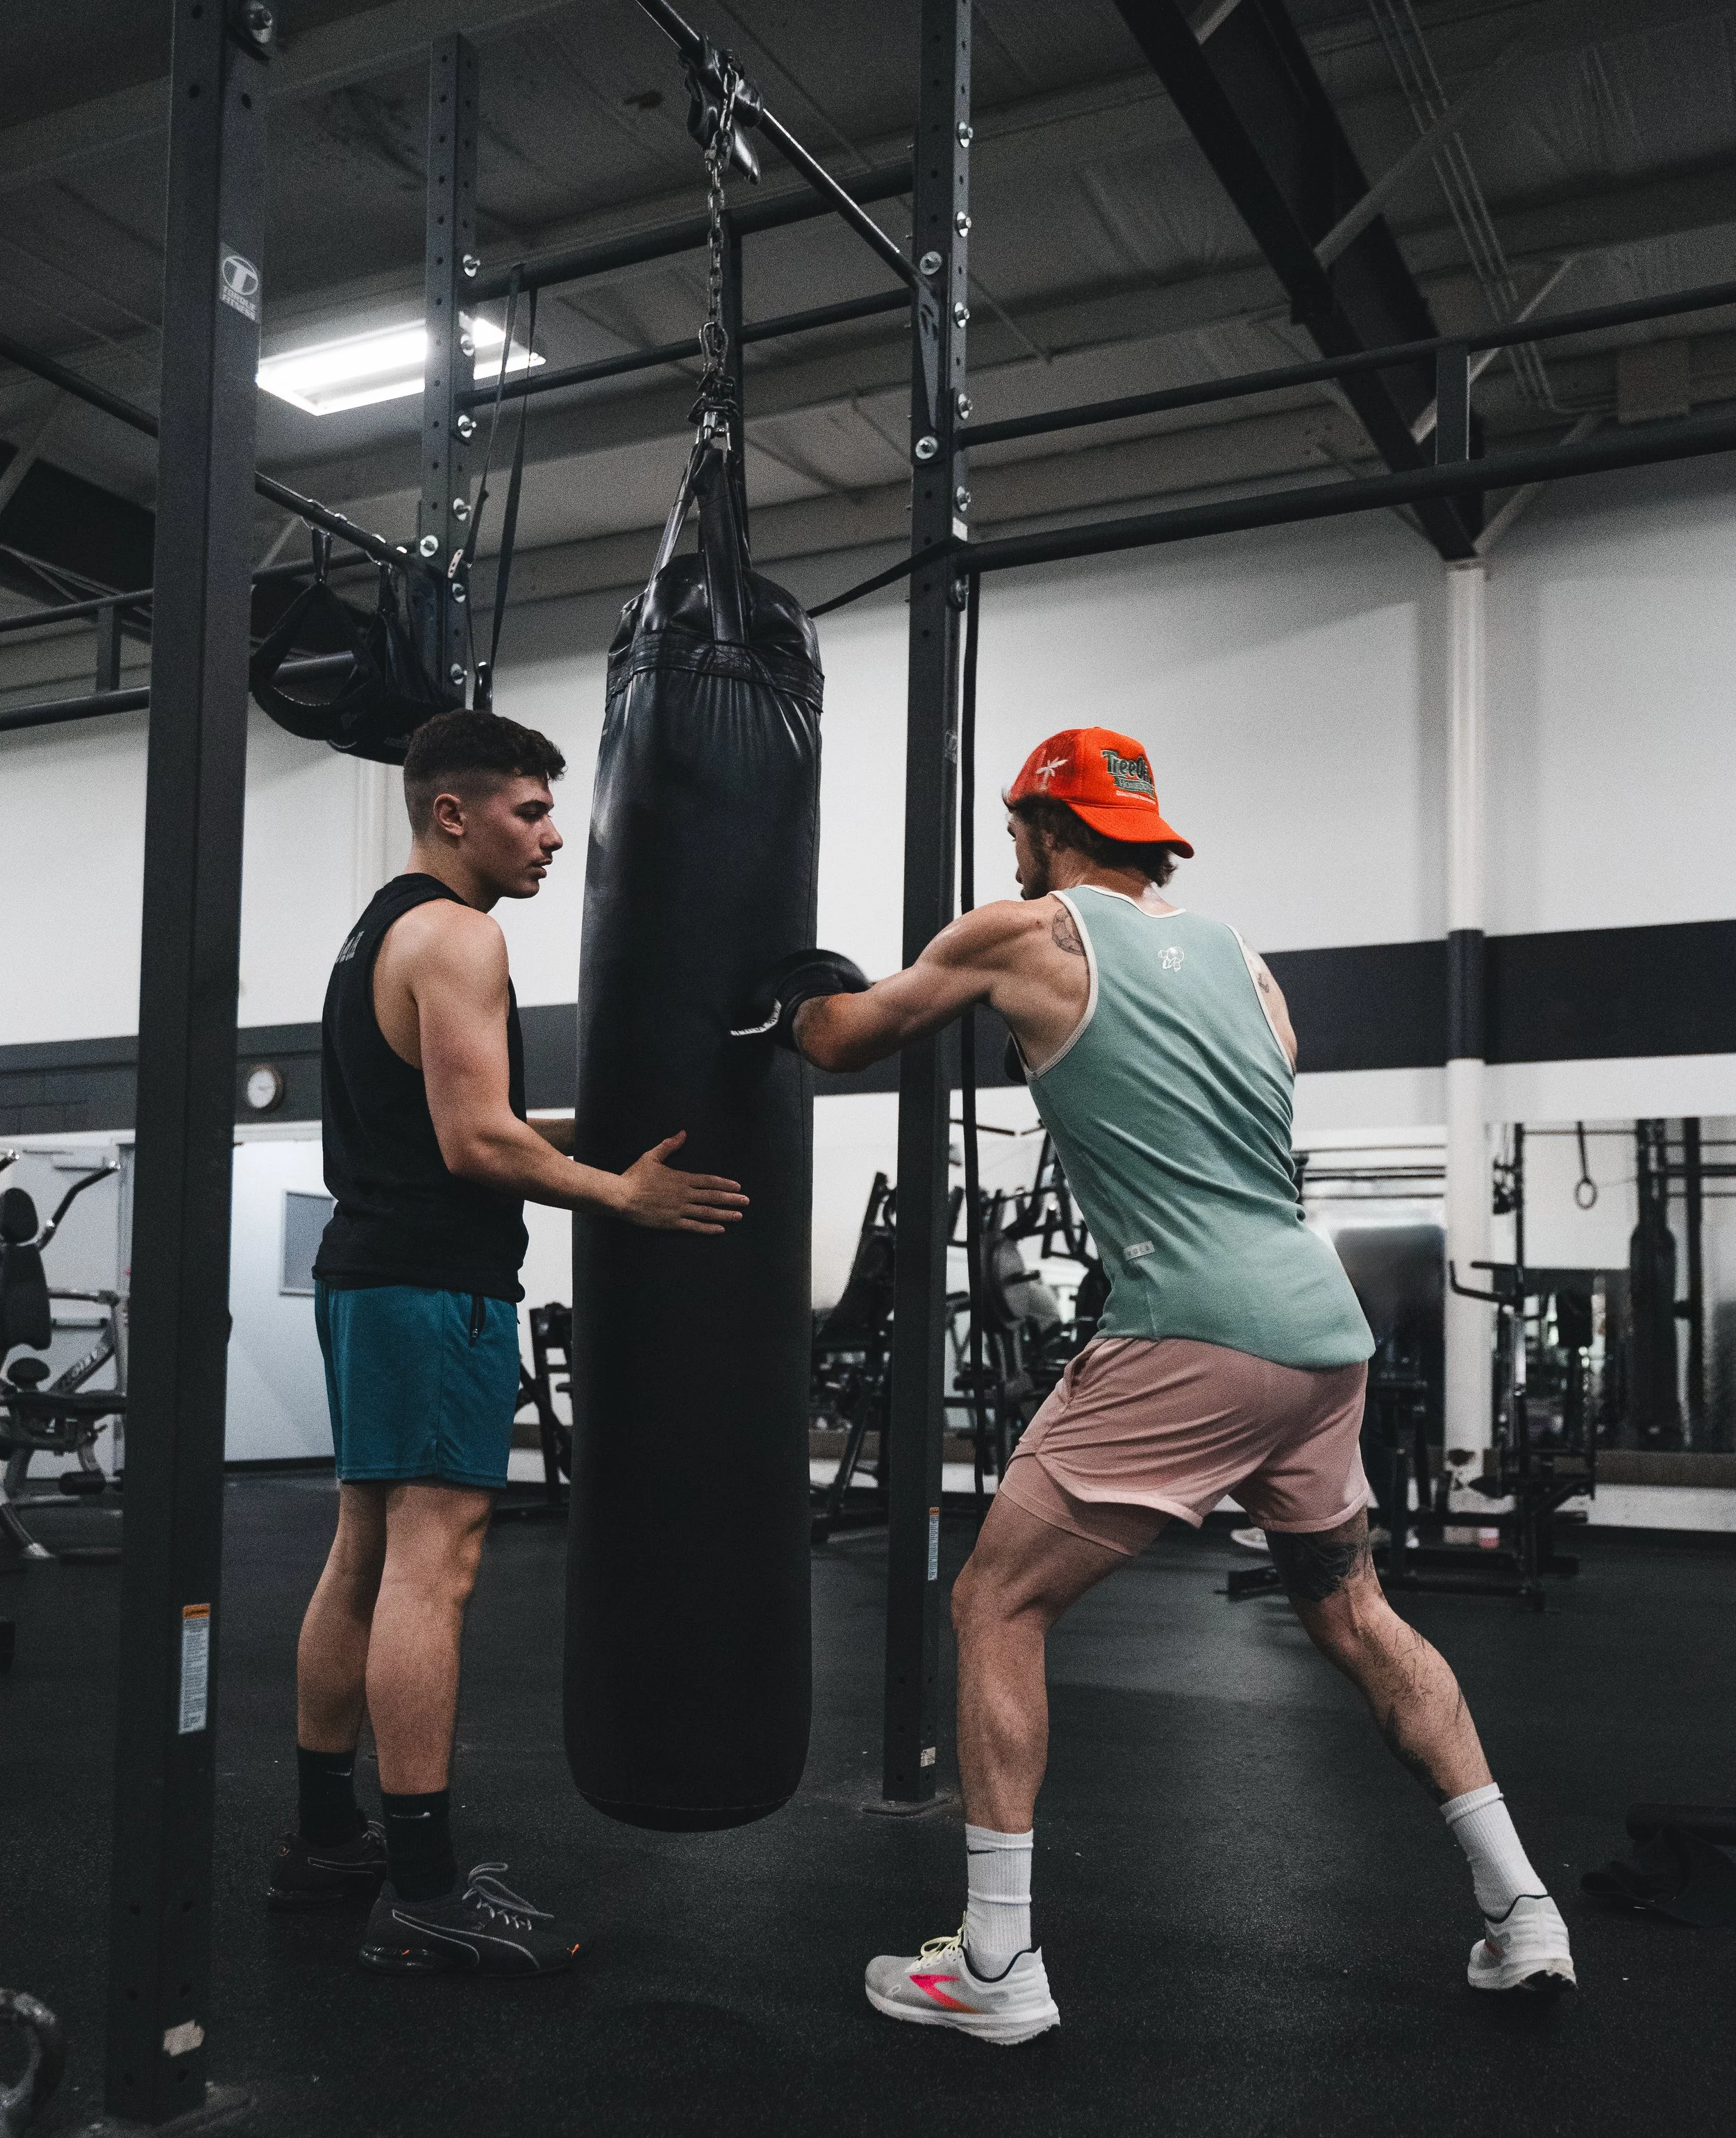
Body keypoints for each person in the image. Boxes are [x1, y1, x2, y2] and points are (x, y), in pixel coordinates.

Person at [779, 725, 1574, 2044]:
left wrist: (790, 985)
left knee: (994, 1605)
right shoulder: (1250, 967)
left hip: (1189, 1328)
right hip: (1321, 1331)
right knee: (1358, 1612)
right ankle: (1523, 1911)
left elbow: (838, 1038)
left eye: (1018, 831)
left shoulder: (1020, 934)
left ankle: (994, 1965)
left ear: (1043, 830)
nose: (1014, 852)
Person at [268, 709, 747, 1975]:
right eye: (531, 812)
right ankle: (423, 1887)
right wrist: (624, 1194)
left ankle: (327, 1840)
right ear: (452, 813)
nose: (552, 837)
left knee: (364, 1554)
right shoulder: (462, 934)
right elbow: (475, 1142)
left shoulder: (384, 929)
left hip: (369, 1277)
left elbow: (456, 1105)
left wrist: (611, 1122)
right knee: (438, 1566)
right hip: (435, 1288)